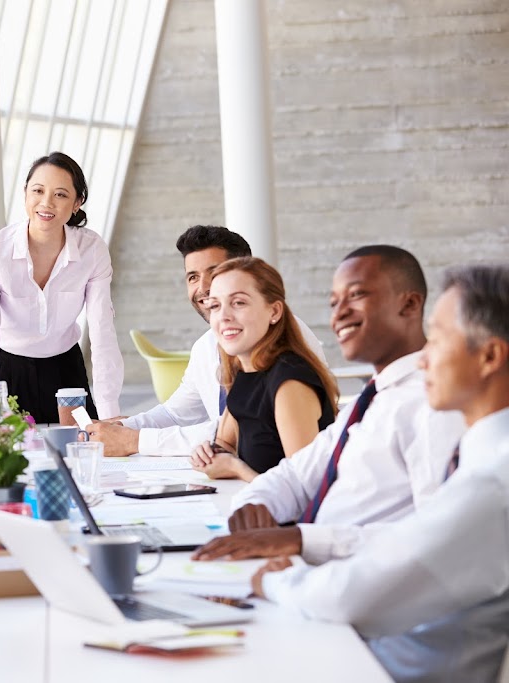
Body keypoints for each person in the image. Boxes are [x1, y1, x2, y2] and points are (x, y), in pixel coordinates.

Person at [251, 263, 509, 683]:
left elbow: (351, 595)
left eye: (439, 338)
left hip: (384, 667)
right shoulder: (483, 458)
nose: (424, 358)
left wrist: (280, 579)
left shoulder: (492, 483)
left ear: (490, 356)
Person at [192, 245, 464, 563]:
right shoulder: (369, 401)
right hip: (310, 566)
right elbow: (296, 473)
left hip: (356, 583)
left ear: (410, 304)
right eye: (334, 302)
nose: (339, 313)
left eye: (357, 295)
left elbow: (438, 535)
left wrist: (301, 540)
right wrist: (255, 504)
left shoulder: (432, 405)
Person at [87, 225, 326, 456]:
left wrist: (136, 441)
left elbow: (246, 432)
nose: (204, 288)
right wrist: (120, 429)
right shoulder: (208, 345)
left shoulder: (284, 348)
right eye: (192, 277)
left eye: (214, 274)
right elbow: (177, 414)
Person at [0, 151, 124, 423]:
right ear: (25, 193)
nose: (46, 202)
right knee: (6, 458)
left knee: (84, 448)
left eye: (60, 194)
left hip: (66, 370)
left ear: (77, 202)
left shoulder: (92, 250)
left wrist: (111, 416)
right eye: (38, 190)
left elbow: (102, 332)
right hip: (8, 370)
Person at [187, 257, 337, 481]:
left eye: (239, 303)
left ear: (274, 311)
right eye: (215, 305)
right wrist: (209, 453)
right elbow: (225, 444)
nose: (224, 316)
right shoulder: (244, 370)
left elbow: (306, 487)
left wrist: (237, 469)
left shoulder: (290, 382)